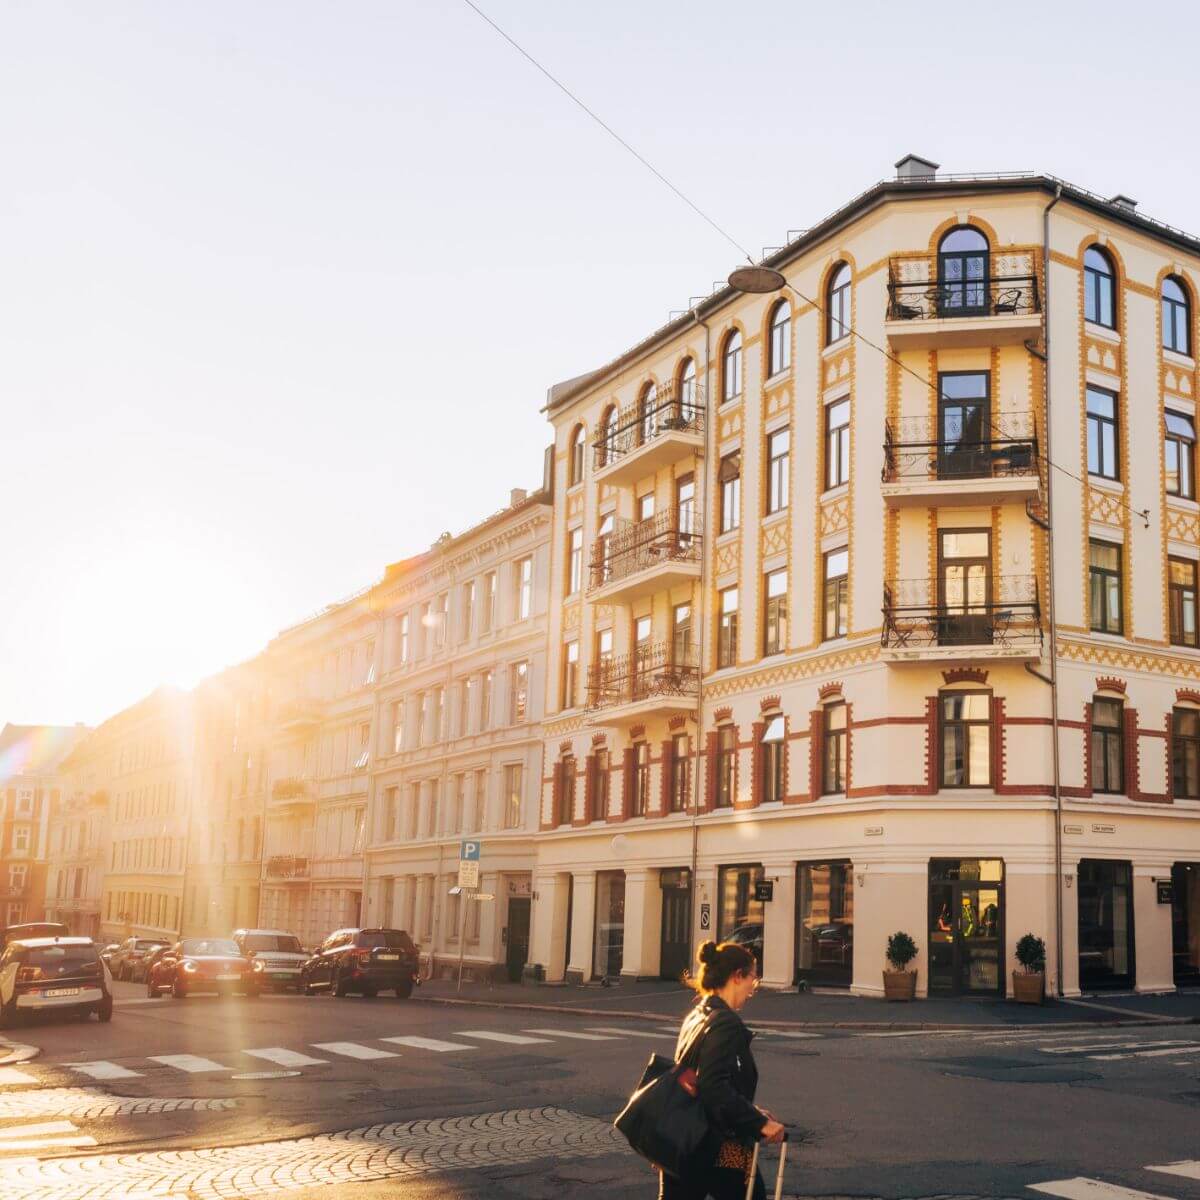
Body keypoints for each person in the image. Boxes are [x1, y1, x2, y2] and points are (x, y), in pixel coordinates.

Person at [657, 940, 786, 1199]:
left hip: (684, 1141)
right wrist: (758, 1122)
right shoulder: (725, 1022)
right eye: (752, 977)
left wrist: (750, 1110)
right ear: (737, 976)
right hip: (716, 1146)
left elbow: (696, 1080)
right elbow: (713, 1086)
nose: (754, 986)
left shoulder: (698, 1014)